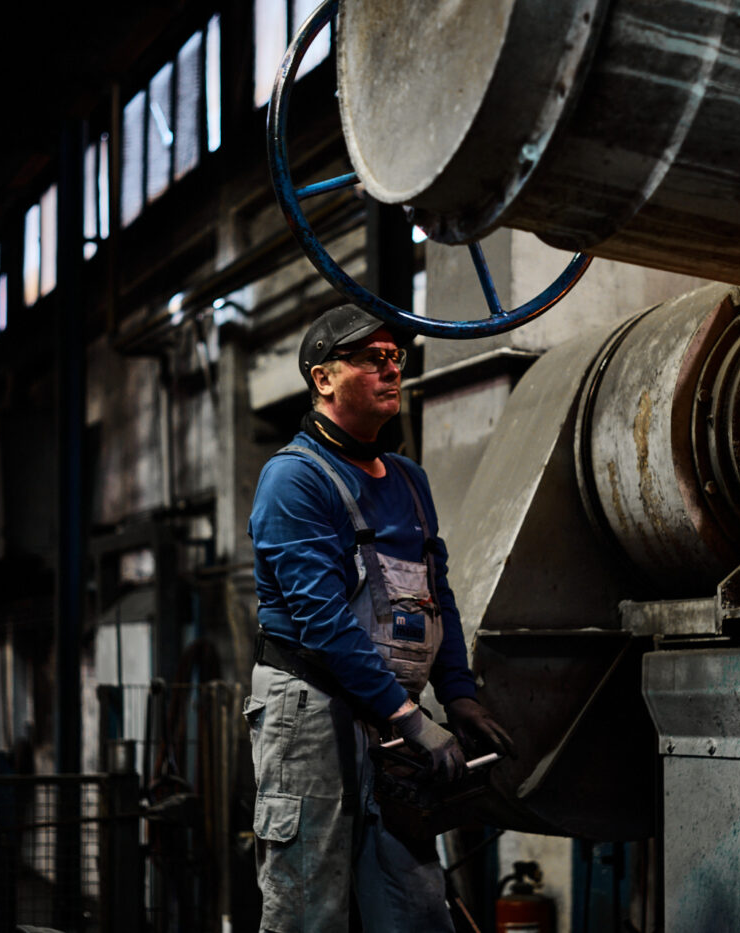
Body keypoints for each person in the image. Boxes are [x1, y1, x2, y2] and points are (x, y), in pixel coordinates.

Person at [245, 304, 515, 933]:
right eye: (373, 359)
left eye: (396, 357)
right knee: (309, 910)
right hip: (311, 712)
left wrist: (459, 694)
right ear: (323, 379)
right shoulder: (294, 479)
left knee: (415, 911)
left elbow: (434, 596)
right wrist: (410, 722)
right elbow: (323, 622)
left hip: (394, 716)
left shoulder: (409, 480)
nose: (392, 370)